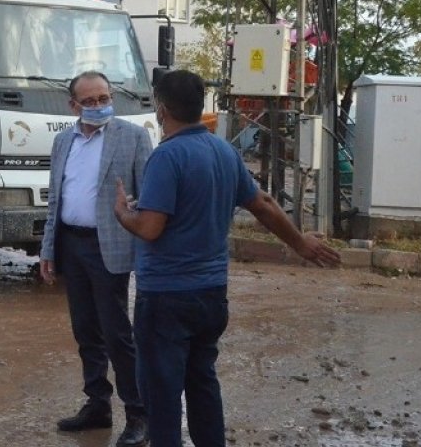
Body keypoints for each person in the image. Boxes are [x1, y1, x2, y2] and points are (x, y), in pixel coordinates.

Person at [113, 69, 342, 447]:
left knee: (161, 396)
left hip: (166, 298)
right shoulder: (224, 151)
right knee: (203, 384)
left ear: (161, 107)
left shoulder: (166, 157)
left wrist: (123, 212)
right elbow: (264, 204)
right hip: (211, 295)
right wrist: (299, 243)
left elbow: (151, 227)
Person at [40, 70, 152, 447]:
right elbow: (56, 199)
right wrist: (47, 250)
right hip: (72, 245)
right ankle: (97, 404)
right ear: (73, 106)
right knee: (85, 329)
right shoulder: (62, 141)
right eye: (90, 101)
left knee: (117, 333)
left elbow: (149, 196)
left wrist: (134, 209)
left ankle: (138, 414)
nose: (100, 106)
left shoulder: (133, 137)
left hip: (110, 246)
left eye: (104, 98)